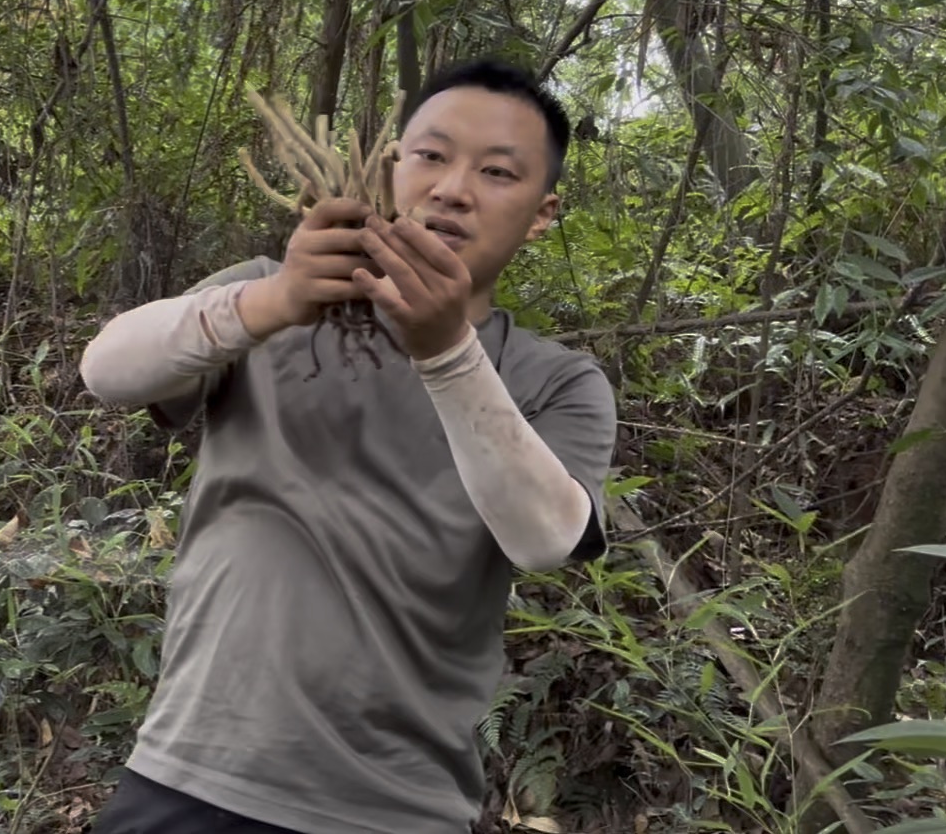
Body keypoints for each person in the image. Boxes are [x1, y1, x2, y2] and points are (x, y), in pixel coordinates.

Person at [78, 57, 618, 834]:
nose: (453, 188)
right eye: (430, 156)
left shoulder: (556, 380)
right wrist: (277, 298)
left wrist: (444, 350)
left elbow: (546, 537)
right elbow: (107, 369)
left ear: (542, 212)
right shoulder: (265, 298)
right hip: (191, 775)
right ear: (391, 168)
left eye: (498, 172)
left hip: (399, 808)